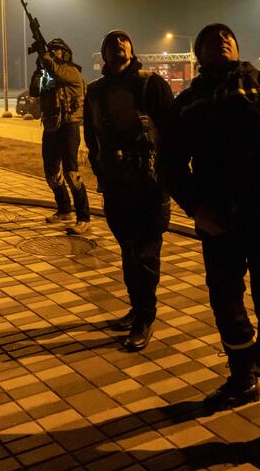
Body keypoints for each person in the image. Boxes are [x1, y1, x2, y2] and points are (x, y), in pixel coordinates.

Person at [158, 23, 260, 471]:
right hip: (221, 225)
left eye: (228, 36)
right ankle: (242, 378)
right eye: (211, 38)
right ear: (198, 54)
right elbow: (169, 162)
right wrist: (195, 209)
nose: (223, 40)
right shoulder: (189, 102)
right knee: (226, 305)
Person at [83, 30, 173, 351]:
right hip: (116, 185)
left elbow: (173, 133)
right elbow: (90, 139)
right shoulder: (94, 91)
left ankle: (145, 318)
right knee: (128, 250)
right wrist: (102, 170)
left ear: (132, 49)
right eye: (111, 42)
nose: (118, 45)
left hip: (149, 185)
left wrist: (168, 177)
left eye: (124, 40)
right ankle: (137, 307)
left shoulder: (150, 84)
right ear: (103, 54)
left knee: (146, 253)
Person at [29, 37, 91, 235]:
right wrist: (39, 68)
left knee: (71, 174)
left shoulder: (71, 72)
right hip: (51, 127)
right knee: (51, 174)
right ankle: (64, 209)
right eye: (51, 49)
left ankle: (83, 217)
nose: (53, 52)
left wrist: (46, 58)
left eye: (58, 50)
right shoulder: (49, 74)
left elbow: (58, 72)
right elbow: (35, 90)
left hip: (68, 125)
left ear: (66, 54)